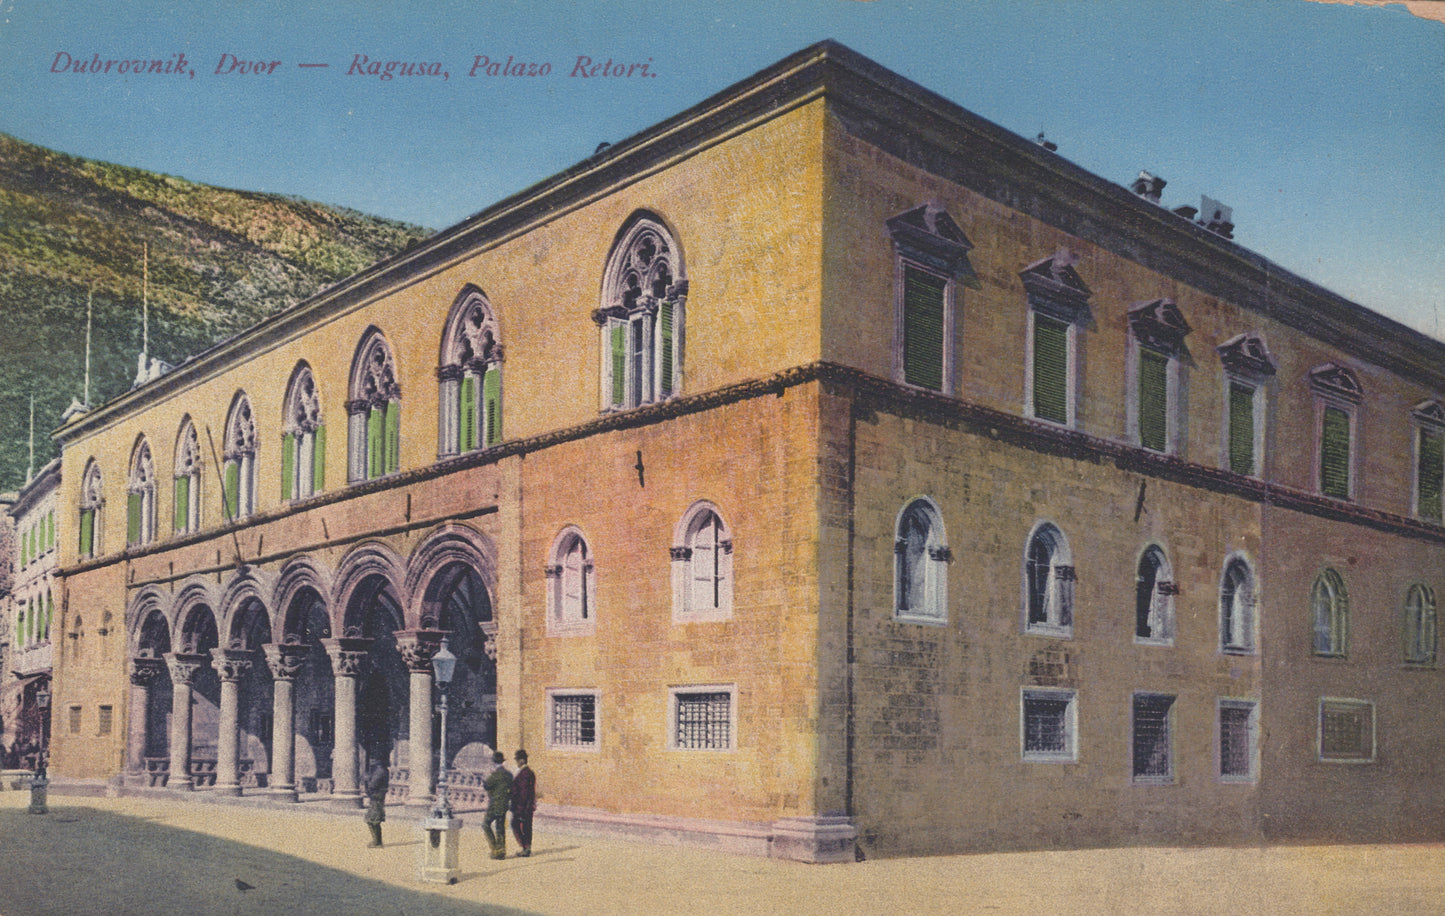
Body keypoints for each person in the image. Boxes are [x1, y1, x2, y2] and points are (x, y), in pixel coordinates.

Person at [481, 750, 513, 859]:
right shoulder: (508, 775)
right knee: (500, 827)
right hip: (504, 804)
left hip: (495, 804)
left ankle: (494, 848)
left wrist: (485, 781)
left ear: (494, 763)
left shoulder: (494, 775)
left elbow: (487, 786)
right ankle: (501, 850)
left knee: (486, 824)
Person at [510, 749, 536, 857]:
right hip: (527, 805)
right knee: (526, 826)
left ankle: (525, 847)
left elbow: (524, 793)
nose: (516, 762)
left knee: (516, 825)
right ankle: (526, 847)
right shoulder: (528, 772)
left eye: (517, 760)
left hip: (522, 805)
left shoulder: (524, 773)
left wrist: (520, 807)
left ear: (522, 760)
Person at [363, 760, 388, 848]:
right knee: (374, 821)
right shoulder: (383, 770)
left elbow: (372, 785)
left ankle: (377, 842)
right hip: (378, 798)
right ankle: (377, 841)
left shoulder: (379, 771)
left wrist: (367, 779)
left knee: (372, 820)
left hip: (376, 799)